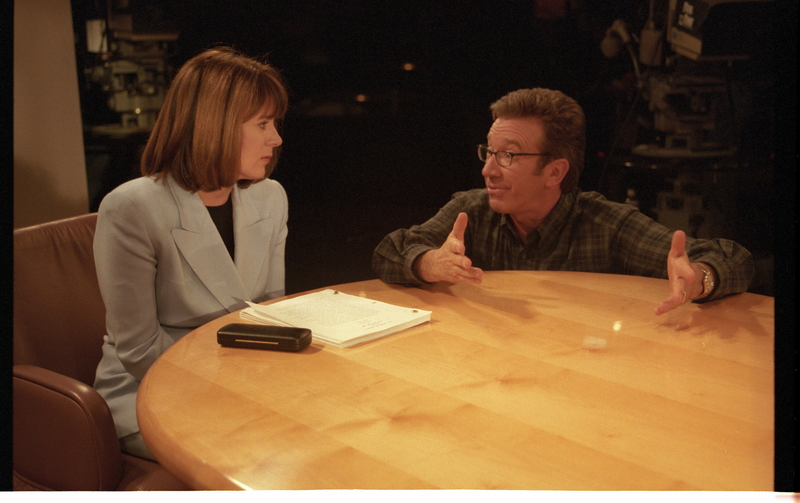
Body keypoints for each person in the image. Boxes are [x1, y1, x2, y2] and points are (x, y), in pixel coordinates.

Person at [372, 88, 753, 315]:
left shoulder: (605, 224)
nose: (488, 170)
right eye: (489, 151)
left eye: (508, 155)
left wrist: (701, 278)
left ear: (554, 173)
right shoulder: (471, 211)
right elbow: (390, 251)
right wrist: (428, 262)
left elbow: (733, 257)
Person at [93, 47, 289, 461]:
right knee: (262, 453)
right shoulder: (132, 207)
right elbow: (139, 348)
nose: (276, 138)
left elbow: (270, 311)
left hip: (245, 381)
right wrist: (234, 392)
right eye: (263, 124)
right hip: (151, 391)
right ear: (214, 126)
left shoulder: (271, 198)